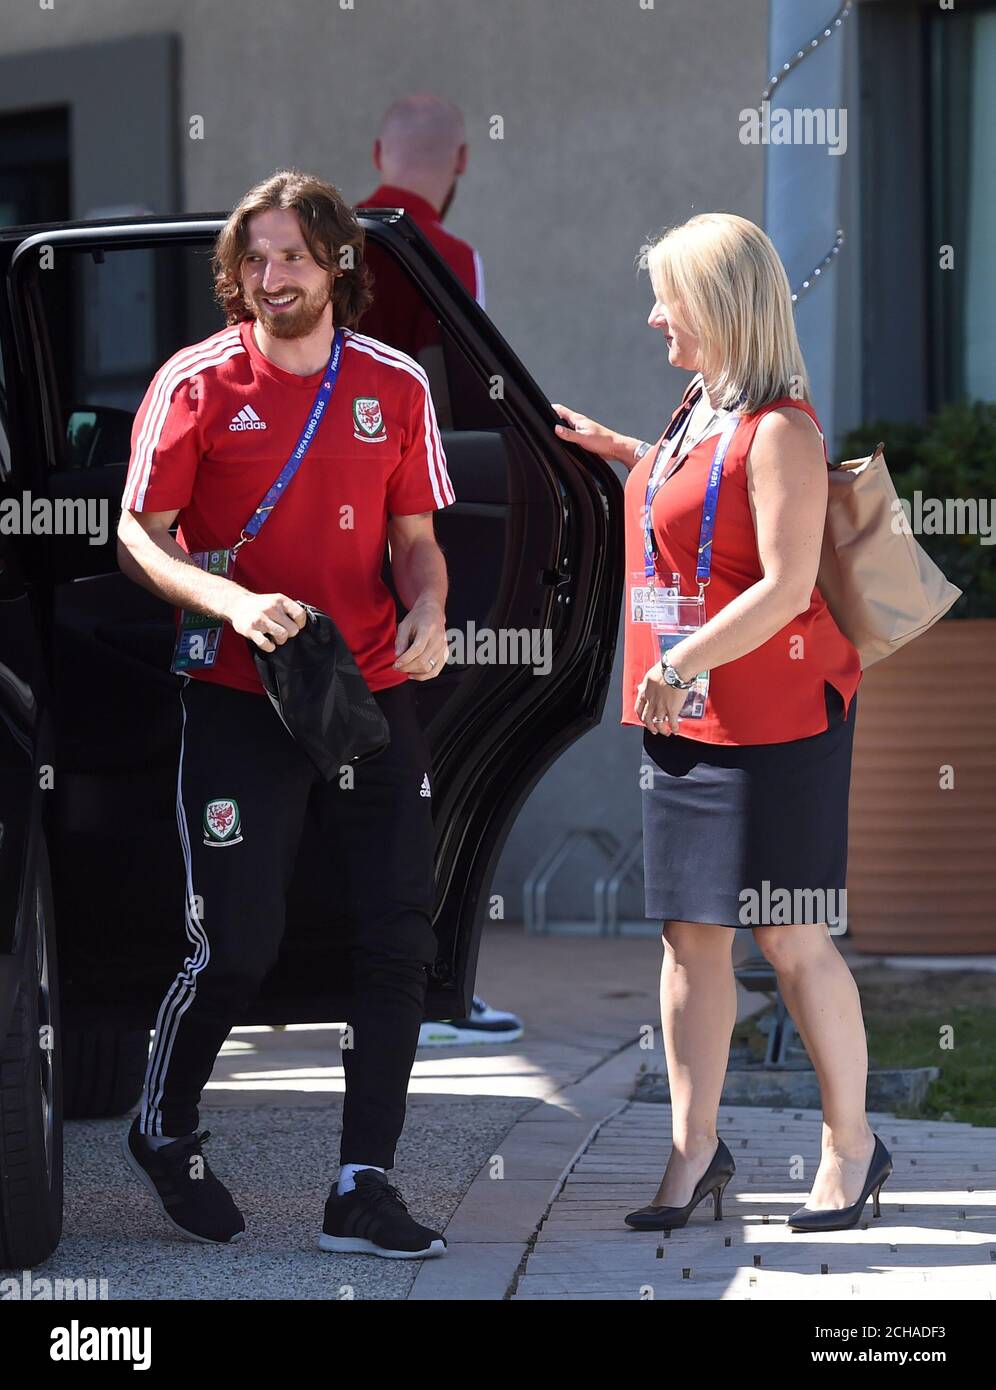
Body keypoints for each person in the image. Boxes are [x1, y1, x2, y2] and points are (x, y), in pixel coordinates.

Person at [117, 169, 454, 1258]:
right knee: (239, 942)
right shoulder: (198, 382)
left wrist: (434, 605)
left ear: (339, 264)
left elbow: (414, 536)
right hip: (236, 692)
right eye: (253, 258)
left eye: (293, 257)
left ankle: (364, 1182)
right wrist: (228, 598)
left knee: (398, 933)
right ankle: (164, 1127)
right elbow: (140, 531)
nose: (270, 277)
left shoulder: (394, 383)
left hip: (365, 693)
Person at [552, 212, 893, 1234]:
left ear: (723, 305)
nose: (656, 317)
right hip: (686, 716)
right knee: (689, 936)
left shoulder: (782, 425)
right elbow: (697, 519)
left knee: (788, 934)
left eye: (671, 298)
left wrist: (688, 658)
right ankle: (695, 1152)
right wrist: (620, 450)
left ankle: (850, 1146)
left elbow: (787, 586)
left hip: (775, 715)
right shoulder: (693, 408)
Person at [359, 95, 523, 1050]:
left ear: (378, 151)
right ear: (461, 159)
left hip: (307, 548)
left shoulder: (321, 245)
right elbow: (474, 397)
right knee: (432, 764)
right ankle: (431, 981)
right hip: (407, 545)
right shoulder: (445, 256)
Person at [356, 93, 485, 362]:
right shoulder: (455, 259)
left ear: (377, 153)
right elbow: (457, 384)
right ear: (463, 158)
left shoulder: (320, 239)